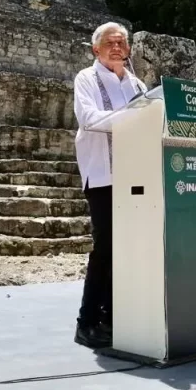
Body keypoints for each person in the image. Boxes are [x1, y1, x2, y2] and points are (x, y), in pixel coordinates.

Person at [72, 22, 146, 349]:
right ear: (96, 49)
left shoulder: (138, 84)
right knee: (105, 248)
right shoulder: (86, 79)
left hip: (136, 178)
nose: (117, 47)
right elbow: (89, 118)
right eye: (110, 43)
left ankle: (113, 317)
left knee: (127, 248)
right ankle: (86, 321)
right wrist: (132, 119)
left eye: (122, 43)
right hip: (102, 176)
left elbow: (152, 121)